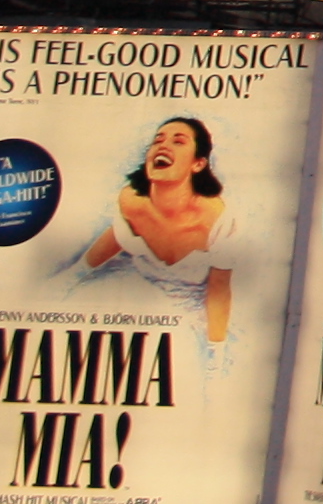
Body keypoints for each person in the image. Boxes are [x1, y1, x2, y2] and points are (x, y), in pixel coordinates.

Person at [56, 115, 240, 372]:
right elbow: (118, 238)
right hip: (142, 306)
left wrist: (214, 352)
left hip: (197, 319)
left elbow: (219, 289)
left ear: (198, 164)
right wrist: (70, 277)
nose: (163, 146)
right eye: (158, 140)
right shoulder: (131, 201)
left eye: (178, 141)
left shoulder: (217, 218)